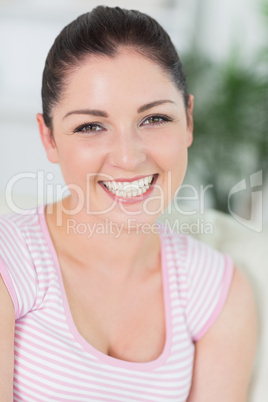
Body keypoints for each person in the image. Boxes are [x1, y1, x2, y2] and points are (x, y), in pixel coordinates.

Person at [0, 6, 257, 401]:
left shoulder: (217, 293)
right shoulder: (10, 263)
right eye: (91, 126)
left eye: (153, 119)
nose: (128, 157)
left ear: (188, 120)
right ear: (49, 138)